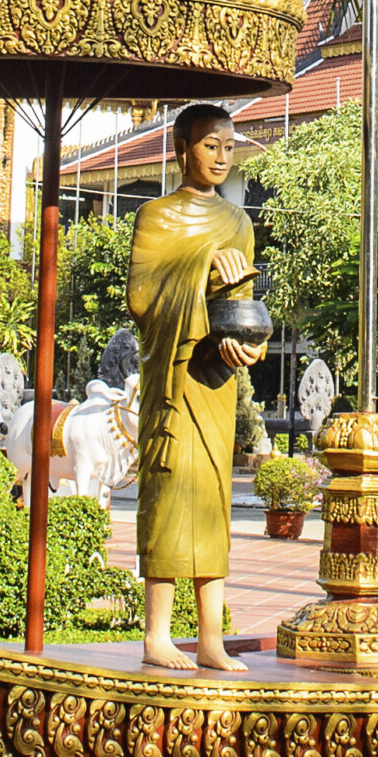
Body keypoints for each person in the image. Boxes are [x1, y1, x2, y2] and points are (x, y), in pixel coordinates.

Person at [130, 102, 259, 672]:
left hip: (213, 375)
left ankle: (211, 638)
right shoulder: (156, 217)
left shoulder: (239, 223)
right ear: (183, 148)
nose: (222, 157)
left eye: (230, 147)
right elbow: (142, 299)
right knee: (167, 493)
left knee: (214, 501)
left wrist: (246, 344)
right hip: (172, 378)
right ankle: (157, 634)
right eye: (211, 145)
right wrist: (206, 265)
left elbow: (239, 308)